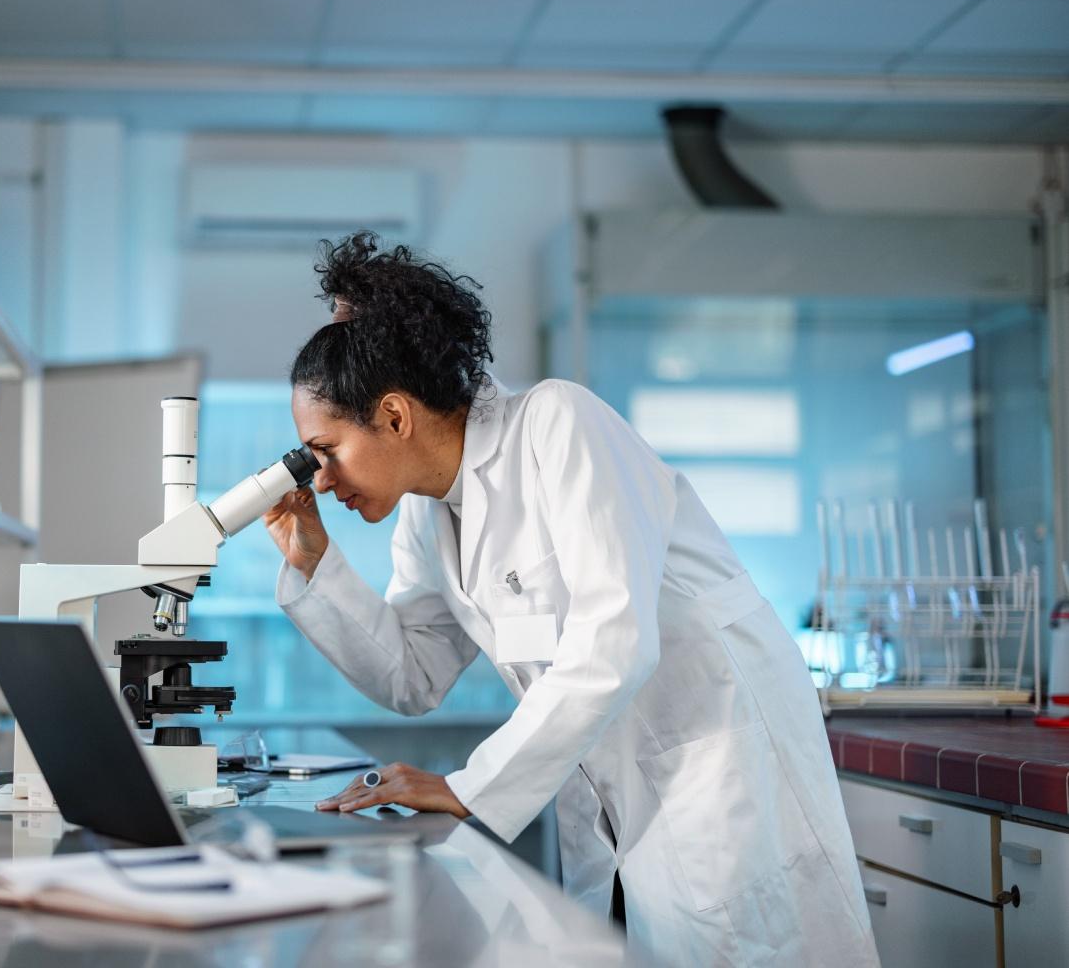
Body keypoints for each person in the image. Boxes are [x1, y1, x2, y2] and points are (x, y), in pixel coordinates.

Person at [262, 232, 878, 966]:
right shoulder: (429, 511)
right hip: (613, 811)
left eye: (325, 450)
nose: (320, 479)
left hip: (716, 789)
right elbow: (412, 676)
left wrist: (468, 788)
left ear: (393, 417)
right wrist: (314, 561)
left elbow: (613, 642)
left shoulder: (558, 425)